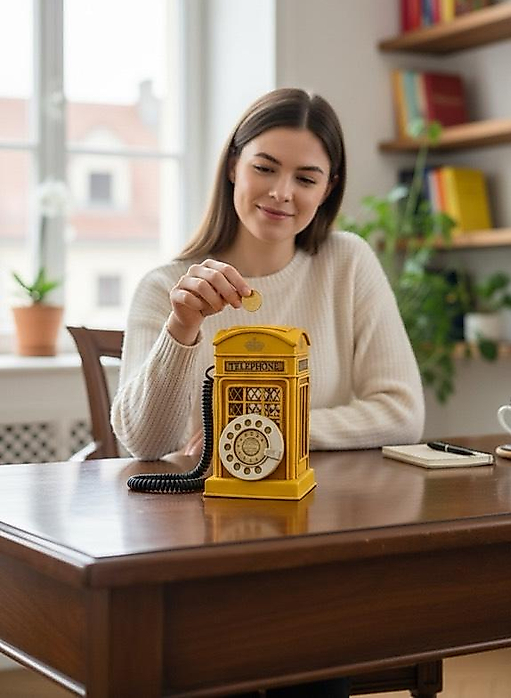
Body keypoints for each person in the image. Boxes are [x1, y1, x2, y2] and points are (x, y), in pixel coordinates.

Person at [111, 87, 424, 698]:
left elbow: (402, 409)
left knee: (306, 643)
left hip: (317, 544)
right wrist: (182, 329)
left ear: (327, 190)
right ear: (233, 165)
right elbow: (146, 444)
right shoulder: (166, 288)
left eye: (307, 177)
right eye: (265, 167)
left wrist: (274, 435)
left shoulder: (346, 262)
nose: (283, 192)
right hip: (194, 554)